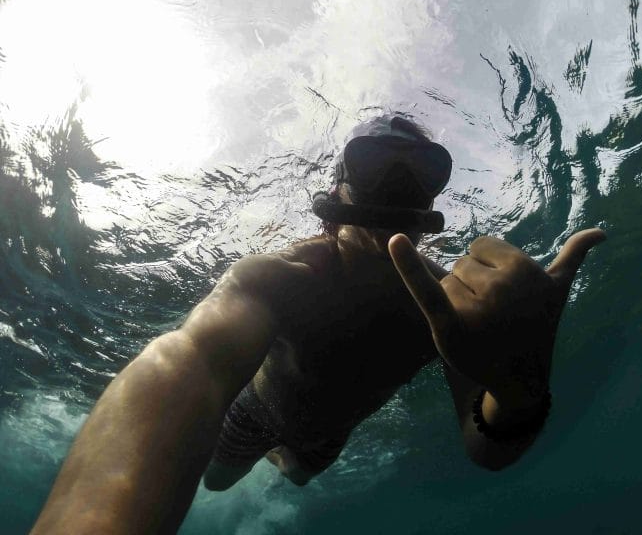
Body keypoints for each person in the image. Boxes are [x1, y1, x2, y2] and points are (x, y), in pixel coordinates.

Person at [31, 115, 605, 534]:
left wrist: (519, 390)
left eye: (422, 174)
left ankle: (285, 458)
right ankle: (269, 453)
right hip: (253, 413)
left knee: (300, 474)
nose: (398, 190)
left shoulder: (450, 305)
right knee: (216, 481)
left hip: (328, 436)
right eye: (373, 166)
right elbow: (189, 361)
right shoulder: (279, 276)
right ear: (338, 188)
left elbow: (488, 452)